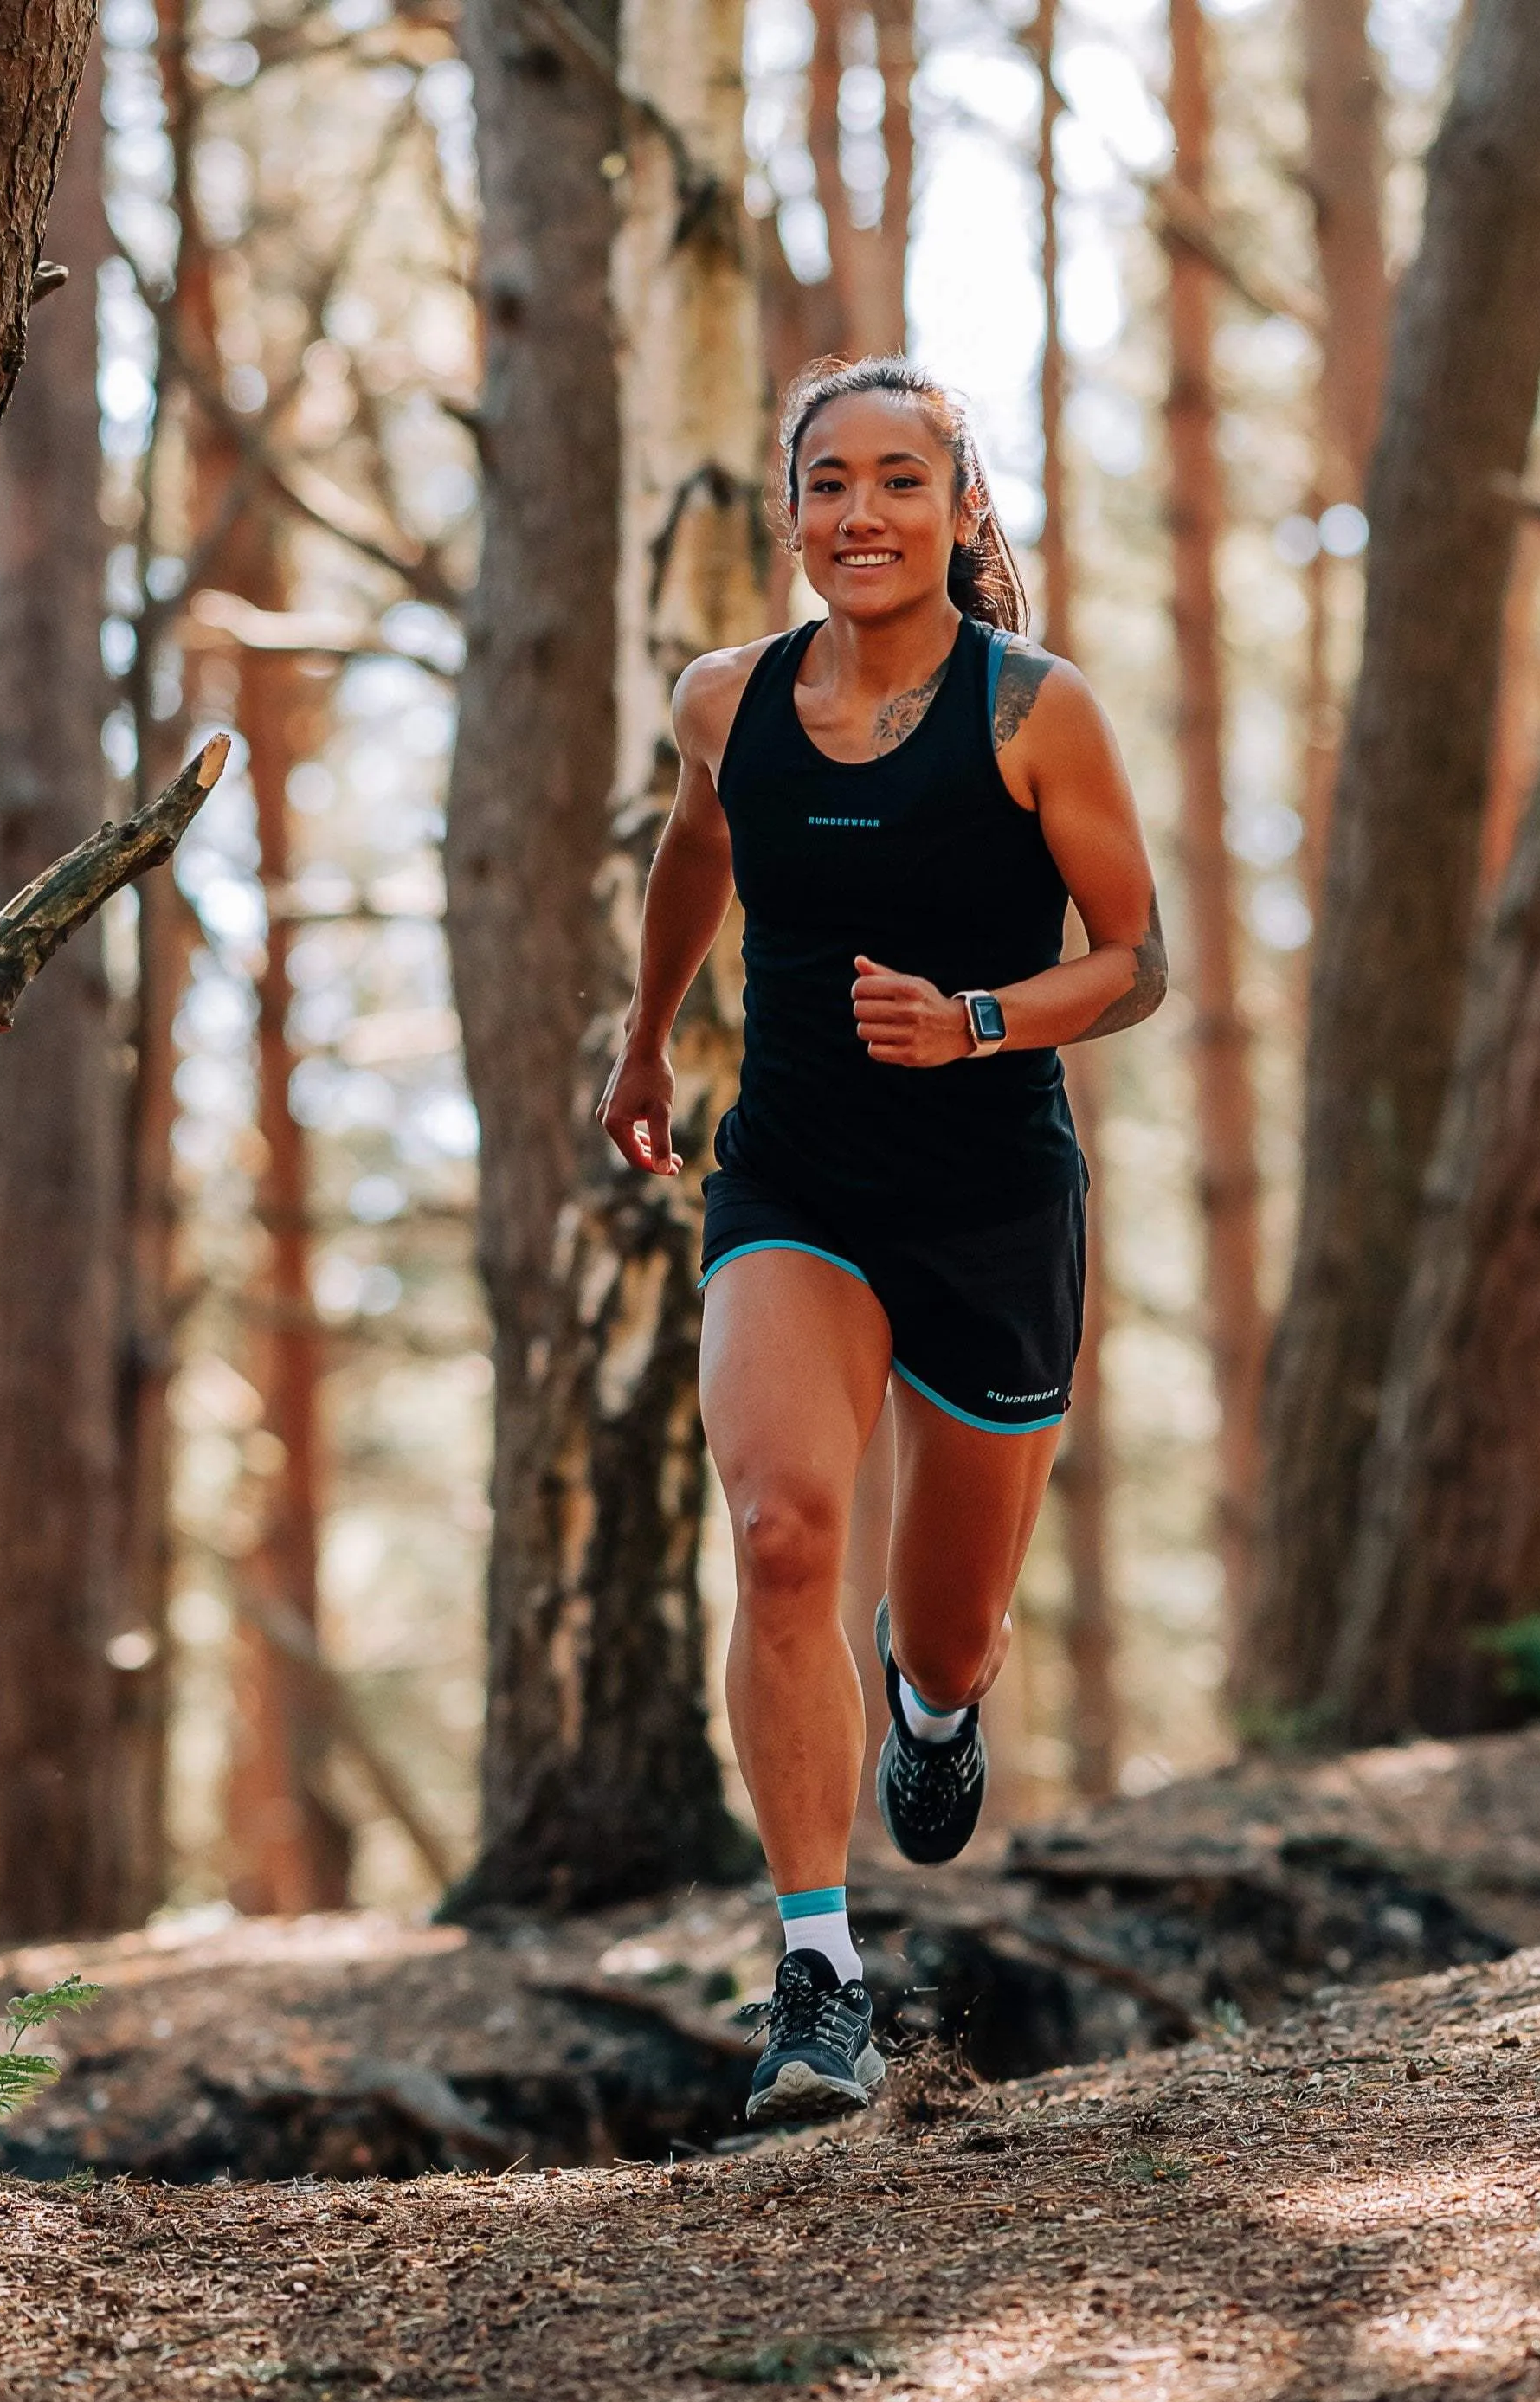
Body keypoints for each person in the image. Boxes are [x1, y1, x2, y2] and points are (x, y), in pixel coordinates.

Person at [597, 355, 1167, 2125]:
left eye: (902, 481)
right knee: (778, 1533)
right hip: (799, 1186)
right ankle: (820, 1973)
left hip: (995, 1205)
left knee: (952, 1630)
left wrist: (982, 1020)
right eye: (829, 483)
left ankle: (934, 1708)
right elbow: (701, 848)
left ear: (963, 511)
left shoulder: (1034, 711)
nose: (862, 514)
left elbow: (1138, 960)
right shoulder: (725, 700)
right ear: (794, 516)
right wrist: (641, 1040)